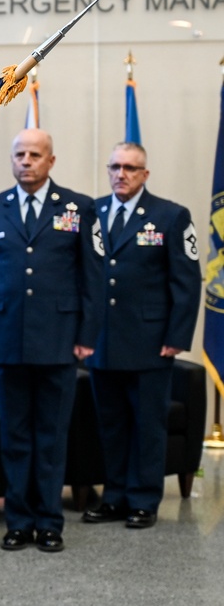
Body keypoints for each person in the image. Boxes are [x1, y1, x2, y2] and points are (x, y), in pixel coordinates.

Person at [0, 128, 103, 553]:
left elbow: (93, 275)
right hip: (7, 337)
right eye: (19, 155)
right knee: (14, 435)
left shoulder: (78, 207)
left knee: (51, 436)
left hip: (59, 339)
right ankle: (18, 521)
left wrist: (87, 336)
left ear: (51, 161)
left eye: (35, 154)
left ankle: (49, 522)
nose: (26, 161)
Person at [83, 141, 201, 529]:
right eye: (115, 166)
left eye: (131, 168)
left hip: (151, 341)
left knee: (148, 425)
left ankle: (144, 499)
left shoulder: (171, 216)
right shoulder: (93, 212)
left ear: (144, 174)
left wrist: (178, 335)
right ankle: (114, 496)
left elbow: (186, 282)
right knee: (111, 424)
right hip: (102, 342)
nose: (121, 174)